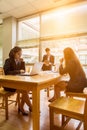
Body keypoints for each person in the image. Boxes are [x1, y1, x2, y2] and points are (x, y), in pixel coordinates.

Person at [3, 46, 32, 115]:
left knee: (27, 89)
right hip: (9, 84)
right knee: (24, 90)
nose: (20, 55)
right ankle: (31, 107)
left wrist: (23, 62)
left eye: (21, 54)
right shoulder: (8, 60)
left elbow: (23, 71)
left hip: (17, 83)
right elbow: (7, 72)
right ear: (13, 53)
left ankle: (21, 107)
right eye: (18, 54)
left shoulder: (19, 61)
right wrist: (18, 71)